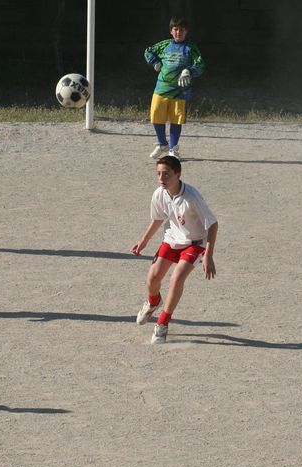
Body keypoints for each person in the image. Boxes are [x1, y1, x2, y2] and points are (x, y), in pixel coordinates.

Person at [130, 155, 218, 344]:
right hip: (171, 240)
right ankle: (154, 302)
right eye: (158, 174)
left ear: (178, 174)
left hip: (194, 243)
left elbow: (212, 224)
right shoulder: (159, 194)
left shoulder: (191, 197)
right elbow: (158, 218)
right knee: (152, 278)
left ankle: (162, 324)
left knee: (176, 278)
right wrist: (143, 241)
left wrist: (208, 255)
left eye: (166, 174)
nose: (161, 178)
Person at [143, 15, 205, 159]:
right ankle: (162, 144)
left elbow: (200, 64)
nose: (178, 32)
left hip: (180, 91)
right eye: (176, 29)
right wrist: (154, 61)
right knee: (156, 116)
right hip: (161, 88)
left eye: (181, 30)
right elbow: (148, 51)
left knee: (176, 119)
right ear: (171, 31)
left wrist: (189, 71)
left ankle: (173, 149)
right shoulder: (165, 45)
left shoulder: (191, 48)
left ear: (186, 31)